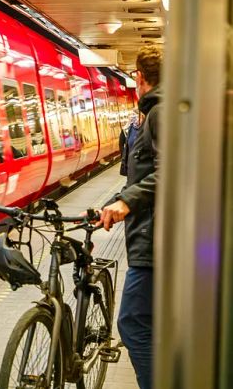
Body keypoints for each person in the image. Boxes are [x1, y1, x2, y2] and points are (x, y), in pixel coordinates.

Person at [98, 45, 163, 389]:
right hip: (152, 237)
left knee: (133, 322)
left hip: (156, 242)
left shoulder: (159, 113)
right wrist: (112, 203)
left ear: (139, 78)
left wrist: (126, 203)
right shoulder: (156, 113)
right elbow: (140, 179)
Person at [119, 109, 143, 176]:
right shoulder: (126, 130)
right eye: (131, 115)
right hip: (131, 163)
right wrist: (124, 159)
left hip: (141, 163)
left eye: (134, 115)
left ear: (140, 116)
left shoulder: (144, 128)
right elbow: (121, 144)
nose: (132, 117)